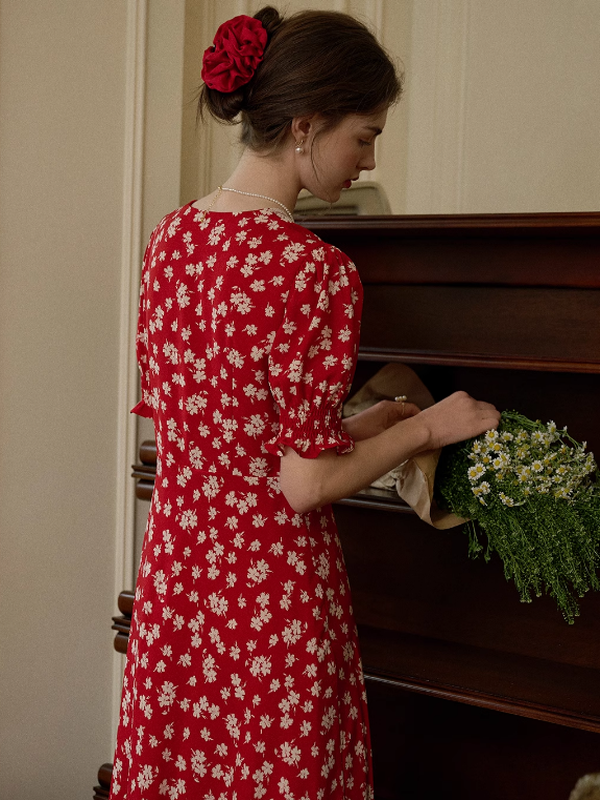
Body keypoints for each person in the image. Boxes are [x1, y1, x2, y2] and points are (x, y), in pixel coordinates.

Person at [109, 7, 500, 799]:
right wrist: (430, 423)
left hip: (182, 584)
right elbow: (304, 485)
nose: (368, 156)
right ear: (306, 125)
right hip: (265, 598)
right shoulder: (311, 269)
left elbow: (232, 432)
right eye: (364, 134)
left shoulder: (172, 239)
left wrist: (362, 426)